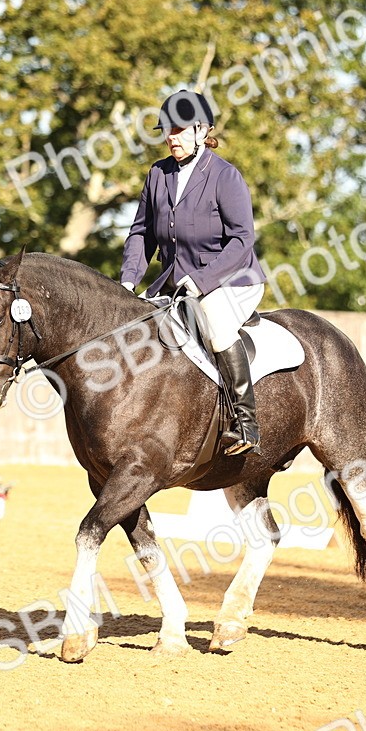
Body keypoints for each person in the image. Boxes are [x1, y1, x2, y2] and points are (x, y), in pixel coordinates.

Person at [120, 89, 268, 456]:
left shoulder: (224, 176)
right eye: (167, 130)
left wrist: (203, 281)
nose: (172, 136)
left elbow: (242, 239)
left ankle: (246, 423)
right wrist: (127, 280)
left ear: (203, 130)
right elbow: (141, 233)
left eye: (181, 129)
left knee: (214, 319)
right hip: (174, 282)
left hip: (232, 279)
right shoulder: (158, 174)